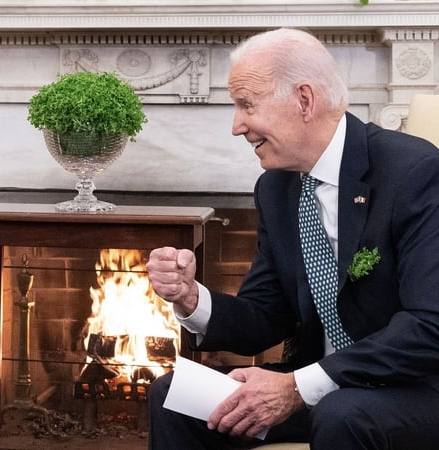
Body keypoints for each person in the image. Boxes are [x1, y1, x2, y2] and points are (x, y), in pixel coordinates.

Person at [146, 27, 439, 449]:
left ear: (304, 100)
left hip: (415, 387)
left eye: (247, 105)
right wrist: (192, 299)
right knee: (175, 395)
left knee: (343, 414)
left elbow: (429, 325)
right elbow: (266, 315)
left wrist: (299, 387)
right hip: (320, 388)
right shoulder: (277, 189)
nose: (236, 126)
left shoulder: (414, 172)